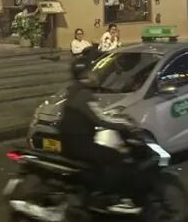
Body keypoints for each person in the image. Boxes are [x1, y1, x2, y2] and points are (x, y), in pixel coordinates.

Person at [59, 49, 140, 212]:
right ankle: (106, 197)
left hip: (69, 141)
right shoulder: (83, 94)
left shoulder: (73, 90)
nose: (95, 75)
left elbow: (94, 114)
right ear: (85, 74)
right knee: (116, 157)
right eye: (92, 72)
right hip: (79, 143)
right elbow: (100, 119)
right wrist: (126, 125)